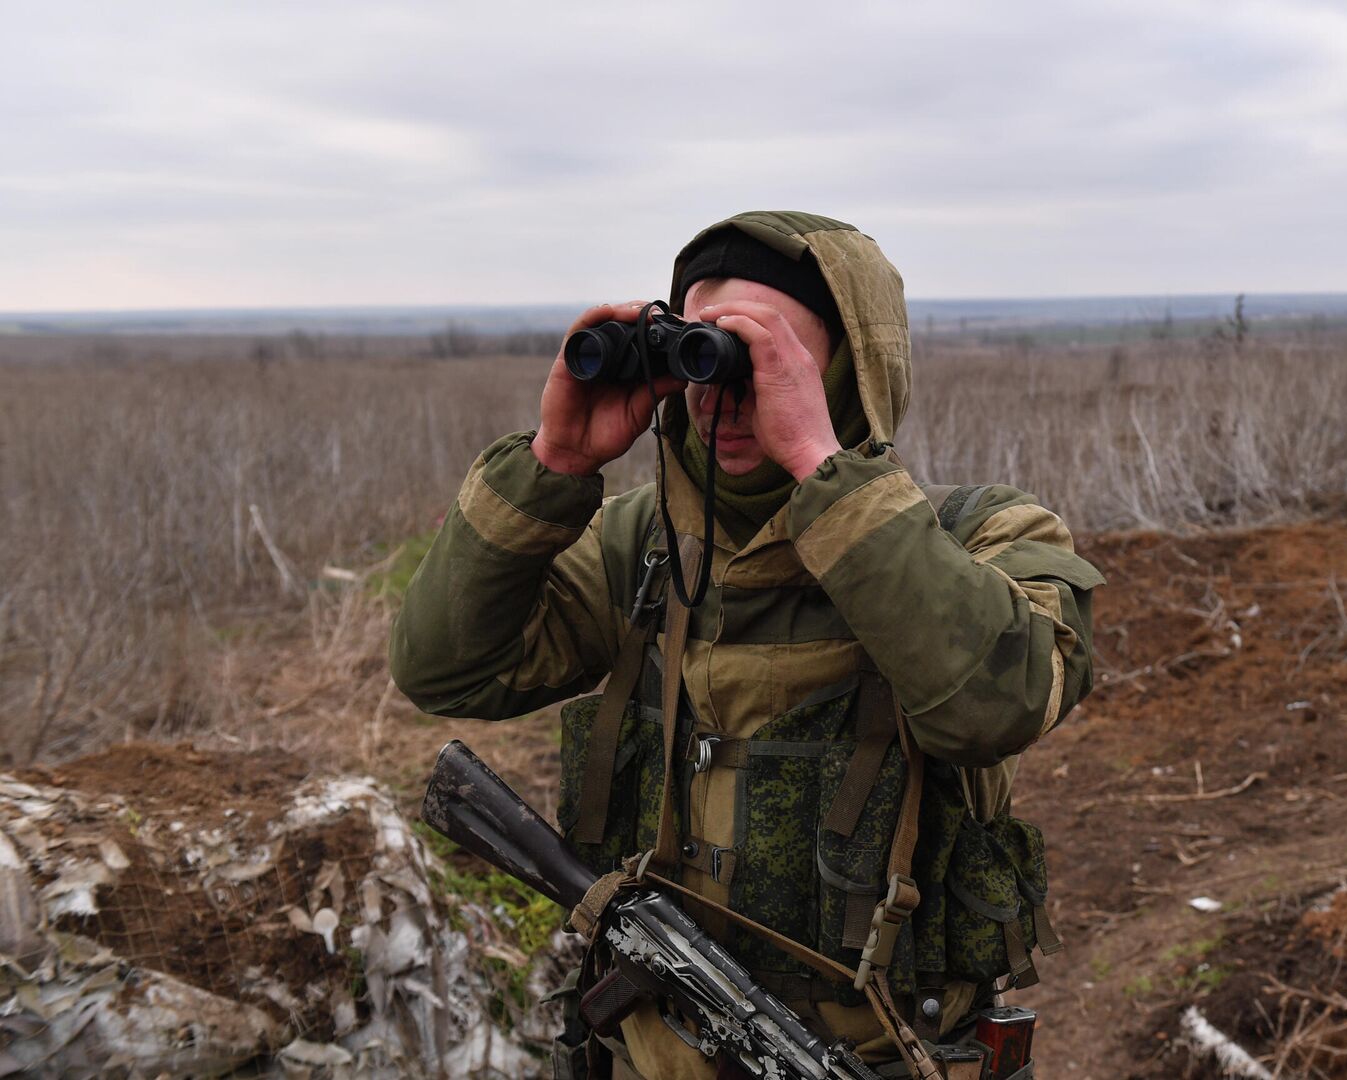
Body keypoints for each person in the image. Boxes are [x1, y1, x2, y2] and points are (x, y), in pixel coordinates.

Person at [390, 211, 1101, 1079]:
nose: (720, 396)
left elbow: (1000, 702)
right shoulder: (646, 546)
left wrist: (819, 462)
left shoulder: (982, 538)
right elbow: (443, 667)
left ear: (847, 374)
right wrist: (555, 462)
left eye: (765, 362)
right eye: (702, 355)